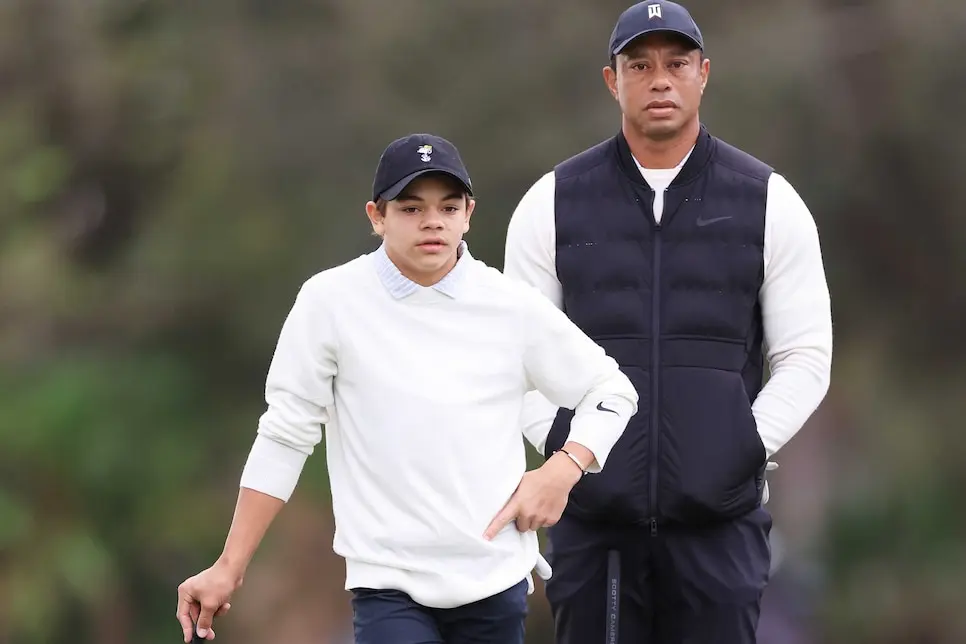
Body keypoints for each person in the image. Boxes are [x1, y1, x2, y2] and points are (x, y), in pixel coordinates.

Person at [175, 133, 640, 644]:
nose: (433, 221)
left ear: (468, 214)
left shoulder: (511, 305)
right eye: (411, 208)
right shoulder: (330, 302)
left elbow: (611, 391)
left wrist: (563, 469)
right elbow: (285, 436)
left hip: (495, 581)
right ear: (377, 216)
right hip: (387, 586)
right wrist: (229, 565)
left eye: (448, 207)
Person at [502, 2, 833, 643]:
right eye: (640, 65)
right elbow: (514, 359)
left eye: (676, 64)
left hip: (720, 531)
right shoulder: (552, 202)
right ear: (612, 80)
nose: (659, 80)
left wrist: (743, 444)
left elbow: (805, 357)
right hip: (596, 534)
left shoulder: (769, 201)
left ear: (703, 74)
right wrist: (565, 449)